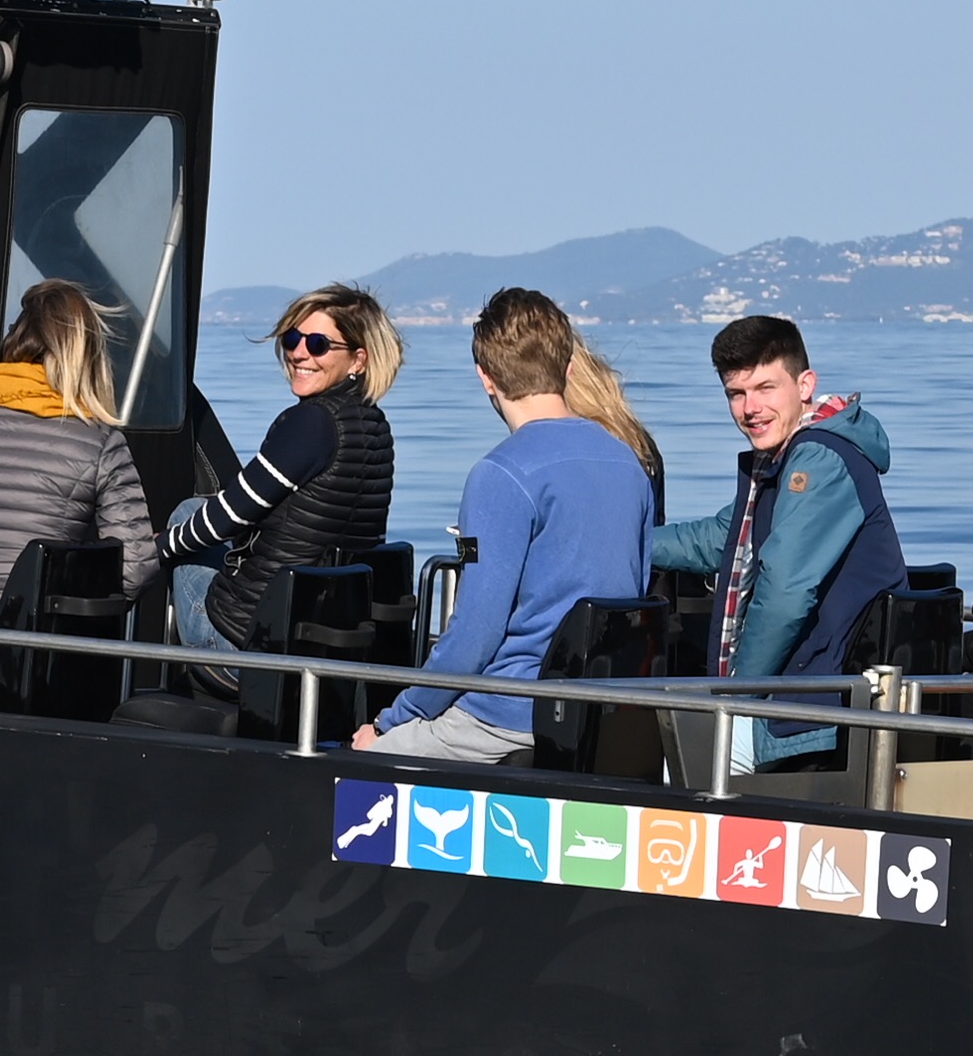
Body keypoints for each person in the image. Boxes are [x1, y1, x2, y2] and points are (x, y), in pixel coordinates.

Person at [352, 289, 664, 762]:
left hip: (508, 714)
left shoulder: (499, 475)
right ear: (569, 367)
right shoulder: (628, 464)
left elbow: (474, 632)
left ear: (486, 378)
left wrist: (392, 721)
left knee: (359, 757)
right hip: (599, 710)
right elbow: (635, 589)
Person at [647, 313, 904, 768]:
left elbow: (785, 591)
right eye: (736, 393)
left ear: (805, 385)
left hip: (818, 705)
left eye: (766, 388)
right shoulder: (786, 457)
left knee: (671, 760)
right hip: (809, 688)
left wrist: (734, 699)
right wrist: (628, 543)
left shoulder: (819, 459)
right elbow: (721, 538)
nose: (750, 408)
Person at [0, 276, 161, 705]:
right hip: (44, 662)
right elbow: (136, 568)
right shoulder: (101, 443)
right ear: (86, 357)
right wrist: (60, 602)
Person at [163, 283, 395, 668]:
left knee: (187, 515)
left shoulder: (310, 423)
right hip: (325, 641)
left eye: (318, 344)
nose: (299, 353)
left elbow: (227, 518)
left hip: (251, 648)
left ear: (358, 360)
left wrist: (153, 550)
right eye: (292, 339)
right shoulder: (376, 427)